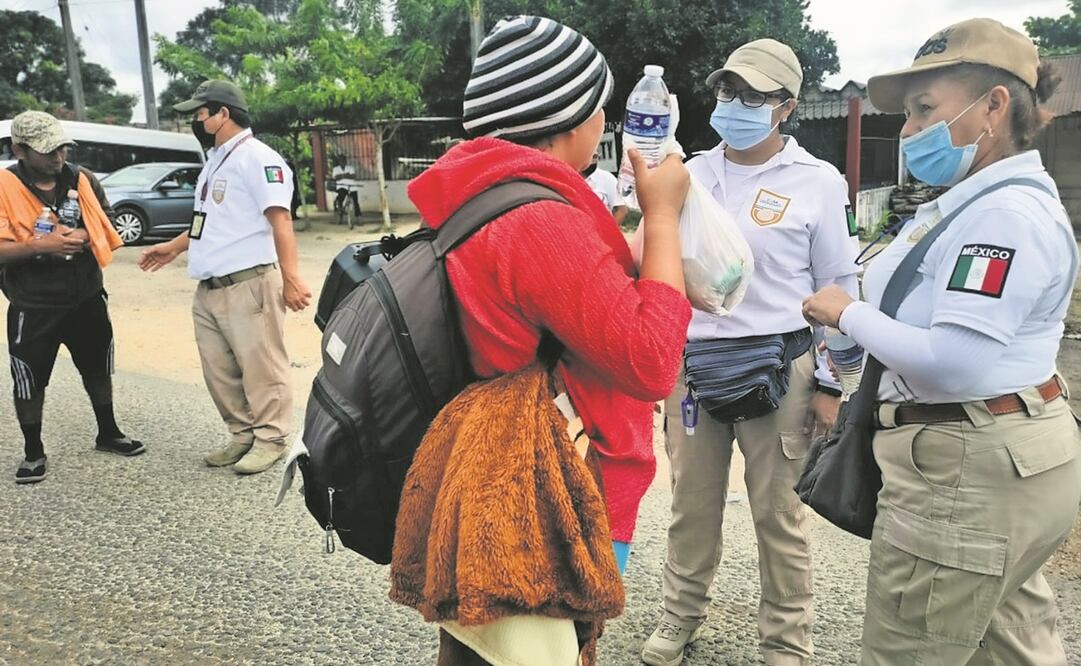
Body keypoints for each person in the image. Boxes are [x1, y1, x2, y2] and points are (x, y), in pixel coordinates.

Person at [401, 15, 691, 663]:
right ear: (568, 119)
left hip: (491, 469)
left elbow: (572, 304)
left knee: (480, 647)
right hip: (549, 491)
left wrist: (637, 237)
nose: (606, 125)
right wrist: (665, 217)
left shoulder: (488, 196)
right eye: (600, 109)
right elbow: (649, 362)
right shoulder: (536, 219)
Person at [803, 18, 1080, 665]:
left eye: (923, 110)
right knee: (1008, 641)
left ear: (993, 106)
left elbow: (955, 361)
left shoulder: (1000, 216)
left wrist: (845, 313)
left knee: (909, 650)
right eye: (905, 115)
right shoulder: (973, 200)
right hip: (1001, 457)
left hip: (963, 473)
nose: (906, 133)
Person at [643, 39, 859, 666]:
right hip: (694, 370)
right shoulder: (689, 172)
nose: (734, 104)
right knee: (690, 504)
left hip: (780, 368)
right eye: (726, 91)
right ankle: (680, 617)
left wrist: (830, 382)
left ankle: (787, 641)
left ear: (786, 107)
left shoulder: (817, 183)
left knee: (780, 514)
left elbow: (839, 288)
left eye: (754, 96)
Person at [138, 79, 312, 475]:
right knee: (219, 370)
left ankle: (270, 439)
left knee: (262, 368)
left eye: (201, 113)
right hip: (210, 287)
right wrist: (175, 246)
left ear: (223, 114)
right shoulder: (216, 160)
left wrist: (291, 278)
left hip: (248, 283)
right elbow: (208, 220)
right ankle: (241, 434)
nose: (196, 121)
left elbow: (280, 220)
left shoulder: (258, 159)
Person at [0, 111, 144, 484]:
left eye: (62, 148)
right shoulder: (3, 185)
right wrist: (41, 245)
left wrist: (82, 236)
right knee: (30, 379)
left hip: (87, 296)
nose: (58, 157)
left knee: (98, 367)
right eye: (47, 151)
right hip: (33, 304)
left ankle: (108, 432)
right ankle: (33, 451)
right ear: (18, 149)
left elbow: (109, 222)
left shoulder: (82, 179)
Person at [583, 151, 628, 225]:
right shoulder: (568, 175)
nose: (594, 160)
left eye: (595, 156)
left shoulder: (606, 177)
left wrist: (608, 233)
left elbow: (621, 210)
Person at [330, 156, 361, 221]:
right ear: (339, 162)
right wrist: (346, 175)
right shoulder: (336, 169)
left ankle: (358, 217)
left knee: (355, 202)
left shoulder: (350, 168)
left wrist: (341, 176)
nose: (343, 162)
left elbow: (353, 176)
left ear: (346, 161)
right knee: (340, 198)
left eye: (344, 160)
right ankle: (340, 210)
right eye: (341, 161)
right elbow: (335, 178)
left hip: (352, 186)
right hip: (342, 186)